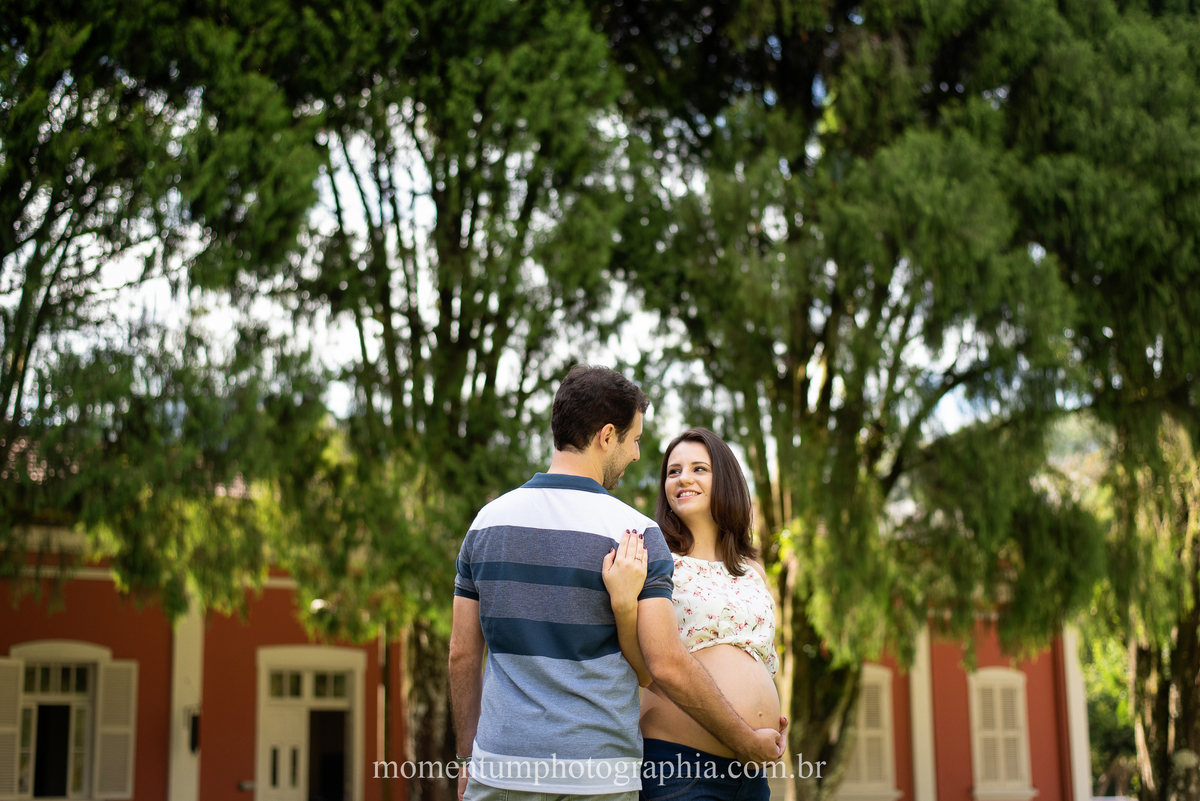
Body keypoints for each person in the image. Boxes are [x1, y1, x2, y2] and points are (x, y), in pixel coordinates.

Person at [449, 367, 786, 801]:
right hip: (604, 775)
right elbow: (656, 666)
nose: (635, 455)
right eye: (633, 440)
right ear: (607, 436)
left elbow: (461, 654)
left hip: (502, 771)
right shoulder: (634, 534)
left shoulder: (486, 523)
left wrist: (464, 758)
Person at [603, 427, 781, 801]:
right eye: (673, 471)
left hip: (751, 774)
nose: (683, 477)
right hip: (682, 769)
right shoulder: (655, 562)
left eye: (699, 468)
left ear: (726, 480)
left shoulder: (752, 570)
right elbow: (646, 668)